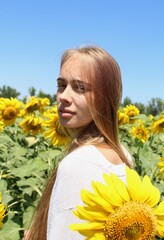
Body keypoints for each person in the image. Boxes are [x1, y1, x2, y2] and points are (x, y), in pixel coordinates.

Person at [26, 45, 132, 240]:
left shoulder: (78, 164)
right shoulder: (122, 155)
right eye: (61, 85)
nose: (63, 97)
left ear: (105, 99)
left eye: (80, 88)